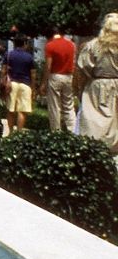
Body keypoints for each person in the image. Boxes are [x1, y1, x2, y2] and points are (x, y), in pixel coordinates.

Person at [77, 12, 118, 155]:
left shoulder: (93, 45)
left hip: (97, 85)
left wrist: (80, 89)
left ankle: (93, 149)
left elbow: (83, 68)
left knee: (92, 119)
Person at [41, 25, 77, 132]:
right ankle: (74, 131)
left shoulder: (50, 45)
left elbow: (48, 66)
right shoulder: (71, 45)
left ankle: (56, 132)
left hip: (55, 76)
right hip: (69, 76)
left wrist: (43, 82)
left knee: (54, 106)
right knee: (69, 106)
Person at [4, 35, 36, 133]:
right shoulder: (29, 57)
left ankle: (10, 131)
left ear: (14, 43)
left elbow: (3, 70)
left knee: (10, 110)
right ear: (25, 44)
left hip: (12, 84)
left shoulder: (9, 55)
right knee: (22, 111)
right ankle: (19, 132)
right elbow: (33, 74)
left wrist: (3, 81)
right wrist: (34, 88)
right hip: (25, 85)